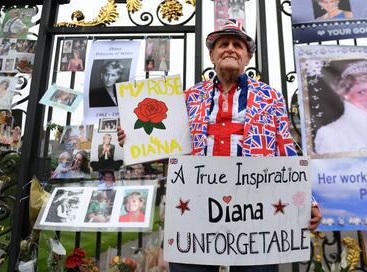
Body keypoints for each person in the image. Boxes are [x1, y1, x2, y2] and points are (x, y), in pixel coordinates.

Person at [118, 19, 322, 272]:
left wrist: (309, 201)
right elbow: (165, 146)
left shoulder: (270, 97)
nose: (230, 49)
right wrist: (134, 138)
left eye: (238, 45)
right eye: (223, 44)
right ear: (212, 55)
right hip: (196, 206)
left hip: (256, 209)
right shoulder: (188, 97)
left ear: (247, 57)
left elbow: (286, 151)